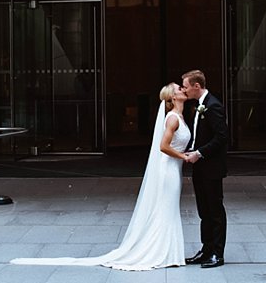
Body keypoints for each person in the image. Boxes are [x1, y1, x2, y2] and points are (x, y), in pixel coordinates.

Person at [12, 83, 190, 271]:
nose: (182, 90)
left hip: (173, 169)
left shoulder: (180, 116)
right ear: (172, 98)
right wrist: (184, 156)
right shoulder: (172, 119)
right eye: (179, 89)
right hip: (168, 170)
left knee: (168, 209)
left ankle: (169, 251)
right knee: (165, 209)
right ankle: (162, 252)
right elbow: (163, 146)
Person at [182, 69, 228, 269]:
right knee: (204, 211)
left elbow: (222, 138)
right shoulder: (199, 106)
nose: (184, 90)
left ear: (196, 86)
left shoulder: (213, 106)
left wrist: (198, 153)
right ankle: (206, 249)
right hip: (200, 168)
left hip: (211, 168)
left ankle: (217, 254)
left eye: (186, 86)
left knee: (215, 211)